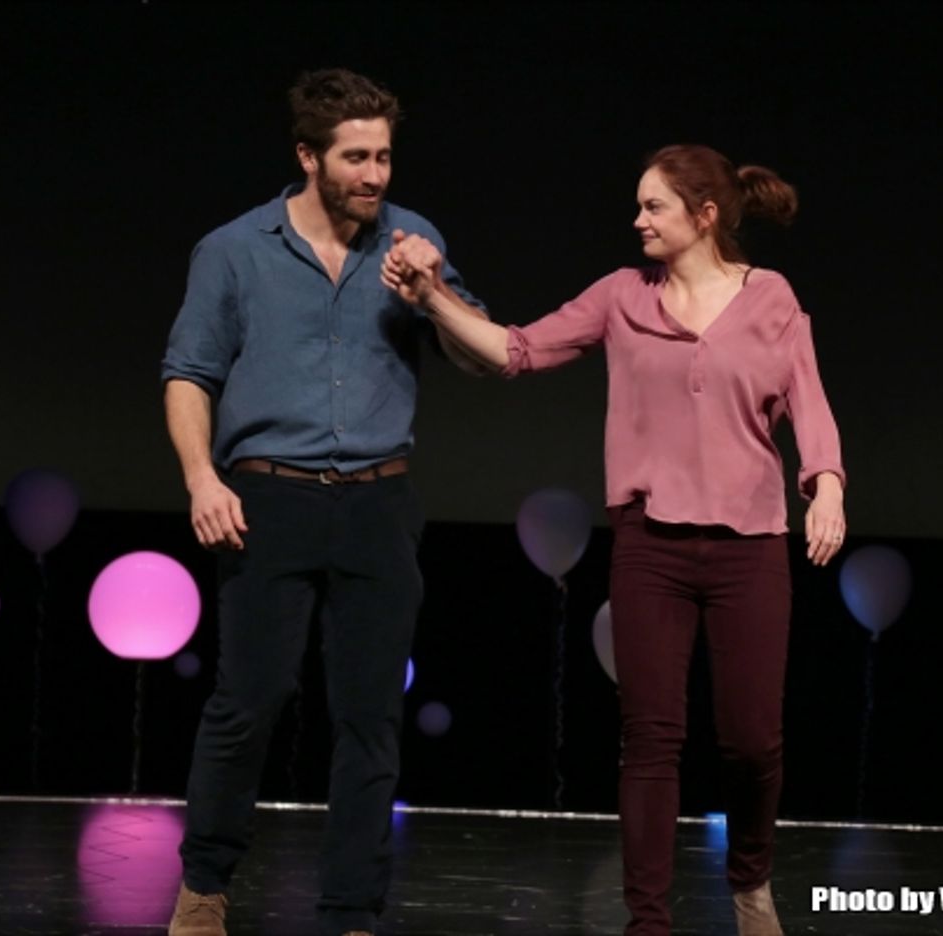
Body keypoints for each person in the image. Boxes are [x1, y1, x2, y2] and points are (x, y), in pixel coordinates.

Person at [381, 144, 846, 936]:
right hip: (651, 545)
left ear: (704, 216)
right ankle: (647, 923)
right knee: (650, 738)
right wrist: (432, 299)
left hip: (749, 547)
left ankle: (751, 882)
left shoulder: (770, 297)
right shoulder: (620, 297)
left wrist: (826, 485)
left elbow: (809, 400)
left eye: (654, 206)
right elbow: (517, 350)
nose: (637, 220)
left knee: (751, 742)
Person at [160, 68, 487, 936]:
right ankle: (204, 889)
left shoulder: (414, 241)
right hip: (268, 499)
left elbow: (485, 356)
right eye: (355, 157)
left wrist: (433, 292)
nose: (374, 175)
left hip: (379, 504)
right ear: (309, 157)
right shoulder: (235, 250)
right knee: (248, 703)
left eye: (383, 156)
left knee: (369, 718)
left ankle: (350, 910)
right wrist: (202, 479)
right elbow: (189, 374)